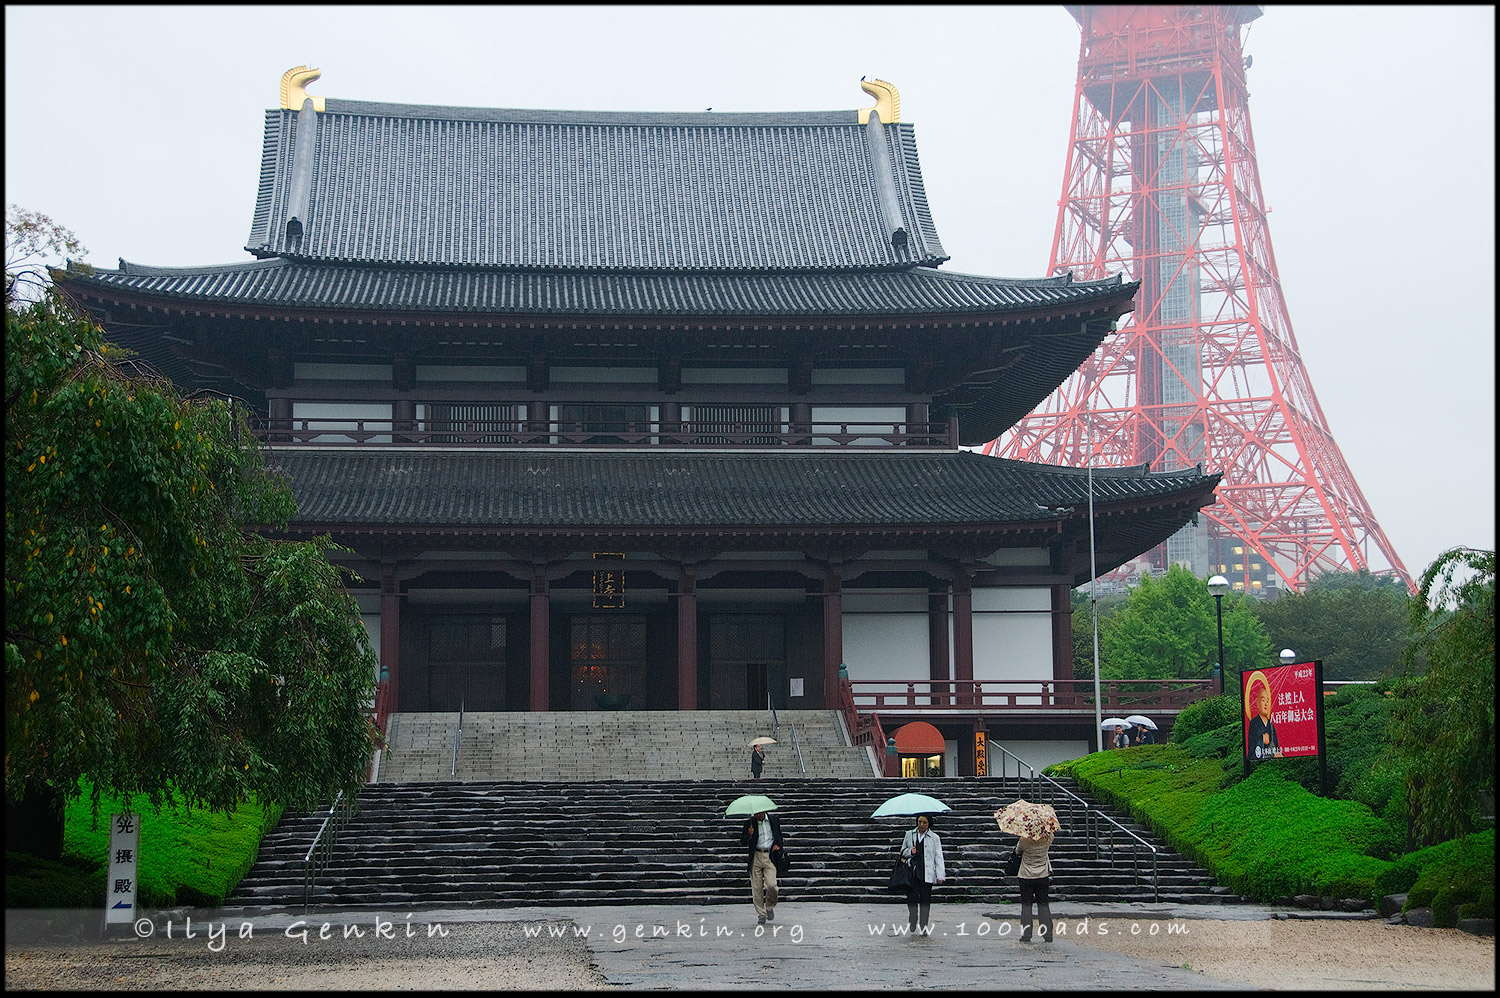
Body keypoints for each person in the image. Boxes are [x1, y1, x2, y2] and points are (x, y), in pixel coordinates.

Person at [899, 813, 946, 935]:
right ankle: (913, 918)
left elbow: (938, 857)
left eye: (924, 822)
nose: (921, 825)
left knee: (925, 900)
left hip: (927, 873)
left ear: (929, 824)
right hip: (912, 872)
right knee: (912, 898)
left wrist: (940, 875)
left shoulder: (934, 838)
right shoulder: (909, 835)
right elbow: (902, 852)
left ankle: (924, 925)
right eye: (919, 822)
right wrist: (910, 851)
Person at [738, 809, 785, 924]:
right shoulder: (749, 823)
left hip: (770, 856)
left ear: (764, 811)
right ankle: (761, 914)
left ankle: (769, 906)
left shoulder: (774, 820)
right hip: (756, 856)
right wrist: (749, 835)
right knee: (757, 888)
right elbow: (742, 842)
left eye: (759, 813)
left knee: (771, 885)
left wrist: (778, 845)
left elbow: (779, 835)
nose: (757, 816)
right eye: (755, 814)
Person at [1014, 828, 1055, 942]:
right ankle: (1047, 934)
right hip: (1042, 874)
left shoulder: (1024, 839)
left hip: (1026, 874)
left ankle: (1026, 934)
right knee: (1043, 904)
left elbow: (1017, 851)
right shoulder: (1047, 838)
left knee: (1026, 905)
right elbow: (1052, 836)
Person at [1247, 676, 1281, 760]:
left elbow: (1276, 747)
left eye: (1267, 701)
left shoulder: (1271, 725)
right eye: (1263, 700)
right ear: (1258, 704)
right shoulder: (1254, 723)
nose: (1266, 704)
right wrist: (1262, 739)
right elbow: (1252, 748)